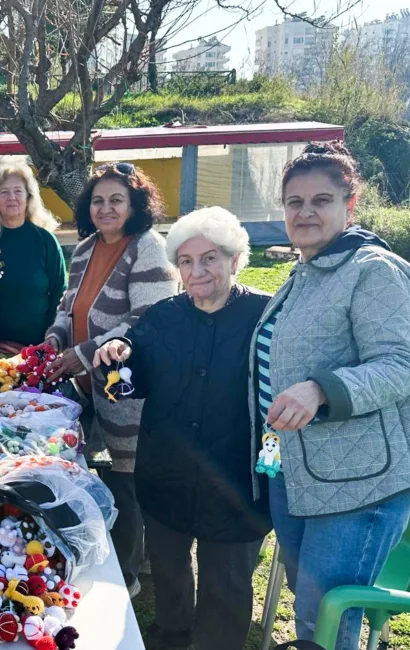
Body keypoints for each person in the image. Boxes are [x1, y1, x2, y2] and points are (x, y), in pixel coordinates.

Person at [253, 141, 410, 649]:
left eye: (321, 200)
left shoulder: (372, 269)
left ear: (350, 205)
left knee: (325, 619)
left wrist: (320, 389)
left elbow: (400, 366)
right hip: (300, 473)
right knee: (314, 611)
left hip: (361, 485)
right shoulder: (308, 271)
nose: (305, 212)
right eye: (294, 202)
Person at [94, 207, 271, 650]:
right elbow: (135, 375)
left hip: (234, 480)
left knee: (226, 582)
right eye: (187, 262)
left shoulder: (264, 316)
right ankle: (171, 638)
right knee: (170, 571)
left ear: (235, 260)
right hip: (167, 471)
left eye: (209, 258)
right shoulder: (164, 314)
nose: (197, 271)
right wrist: (119, 354)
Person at [42, 162, 178, 596]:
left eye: (117, 200)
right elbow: (68, 308)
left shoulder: (147, 248)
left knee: (126, 478)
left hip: (127, 388)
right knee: (82, 471)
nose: (106, 208)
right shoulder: (84, 249)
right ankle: (89, 551)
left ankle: (129, 573)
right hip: (85, 386)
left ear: (136, 204)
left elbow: (147, 323)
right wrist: (54, 338)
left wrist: (80, 354)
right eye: (98, 200)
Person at [0, 163, 66, 356]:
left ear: (29, 197)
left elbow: (60, 293)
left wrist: (49, 339)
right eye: (4, 192)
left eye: (18, 191)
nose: (12, 198)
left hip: (35, 349)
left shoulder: (45, 241)